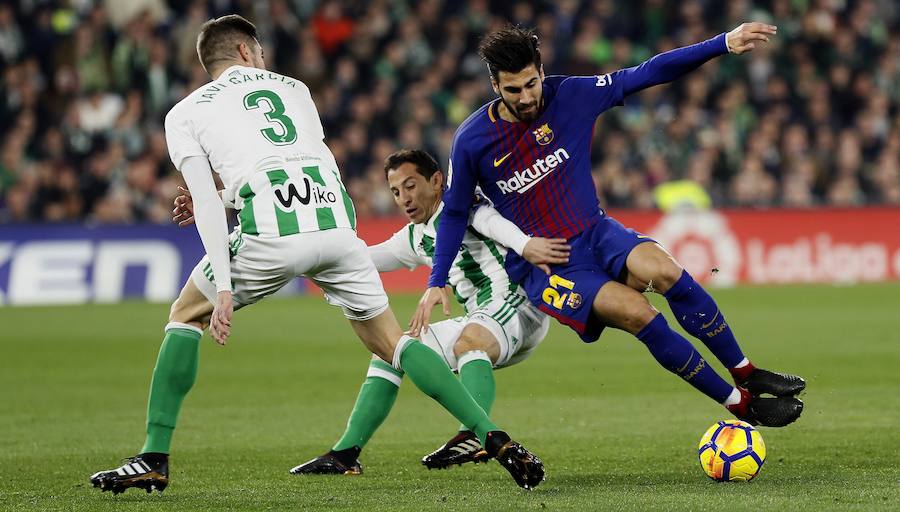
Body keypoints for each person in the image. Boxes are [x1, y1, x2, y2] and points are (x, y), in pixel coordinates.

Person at [88, 15, 544, 495]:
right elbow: (295, 161)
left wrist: (222, 287)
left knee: (185, 314)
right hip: (337, 228)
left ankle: (153, 457)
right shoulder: (295, 89)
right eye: (259, 51)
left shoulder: (185, 111)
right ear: (247, 51)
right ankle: (492, 436)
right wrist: (230, 198)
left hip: (271, 231)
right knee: (396, 345)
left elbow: (206, 198)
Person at [412, 24, 806, 429]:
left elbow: (649, 72)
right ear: (495, 85)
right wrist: (437, 279)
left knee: (665, 270)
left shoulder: (572, 95)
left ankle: (745, 370)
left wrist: (722, 43)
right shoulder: (472, 140)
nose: (527, 97)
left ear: (542, 71)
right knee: (639, 313)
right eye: (513, 90)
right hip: (548, 266)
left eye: (531, 84)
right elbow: (456, 212)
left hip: (596, 232)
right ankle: (739, 404)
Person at [286, 149, 561, 474]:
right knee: (392, 350)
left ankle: (475, 434)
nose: (404, 198)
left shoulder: (465, 207)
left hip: (518, 305)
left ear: (436, 181)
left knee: (469, 341)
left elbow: (500, 223)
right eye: (396, 191)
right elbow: (361, 260)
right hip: (482, 318)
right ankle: (344, 454)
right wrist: (304, 256)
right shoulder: (414, 237)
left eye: (411, 185)